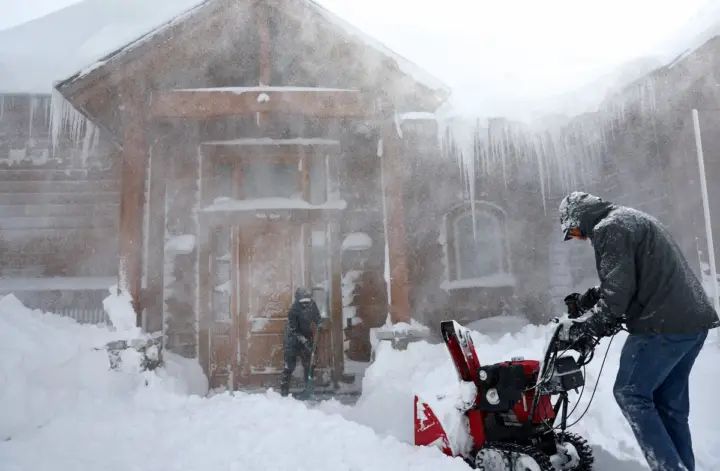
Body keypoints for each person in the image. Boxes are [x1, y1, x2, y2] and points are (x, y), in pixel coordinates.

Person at [559, 191, 718, 471]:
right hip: (692, 323)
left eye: (573, 230)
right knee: (669, 407)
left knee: (630, 393)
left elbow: (619, 293)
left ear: (580, 216)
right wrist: (593, 297)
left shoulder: (609, 229)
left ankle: (669, 467)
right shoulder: (630, 219)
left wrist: (587, 328)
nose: (577, 237)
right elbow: (633, 276)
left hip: (662, 324)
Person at [280, 287, 322, 398]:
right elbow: (294, 329)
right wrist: (305, 342)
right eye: (303, 302)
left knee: (309, 364)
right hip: (292, 340)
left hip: (307, 338)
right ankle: (284, 391)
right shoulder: (293, 310)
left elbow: (318, 318)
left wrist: (319, 324)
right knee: (289, 366)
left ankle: (308, 389)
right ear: (298, 299)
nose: (305, 304)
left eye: (307, 301)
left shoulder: (312, 305)